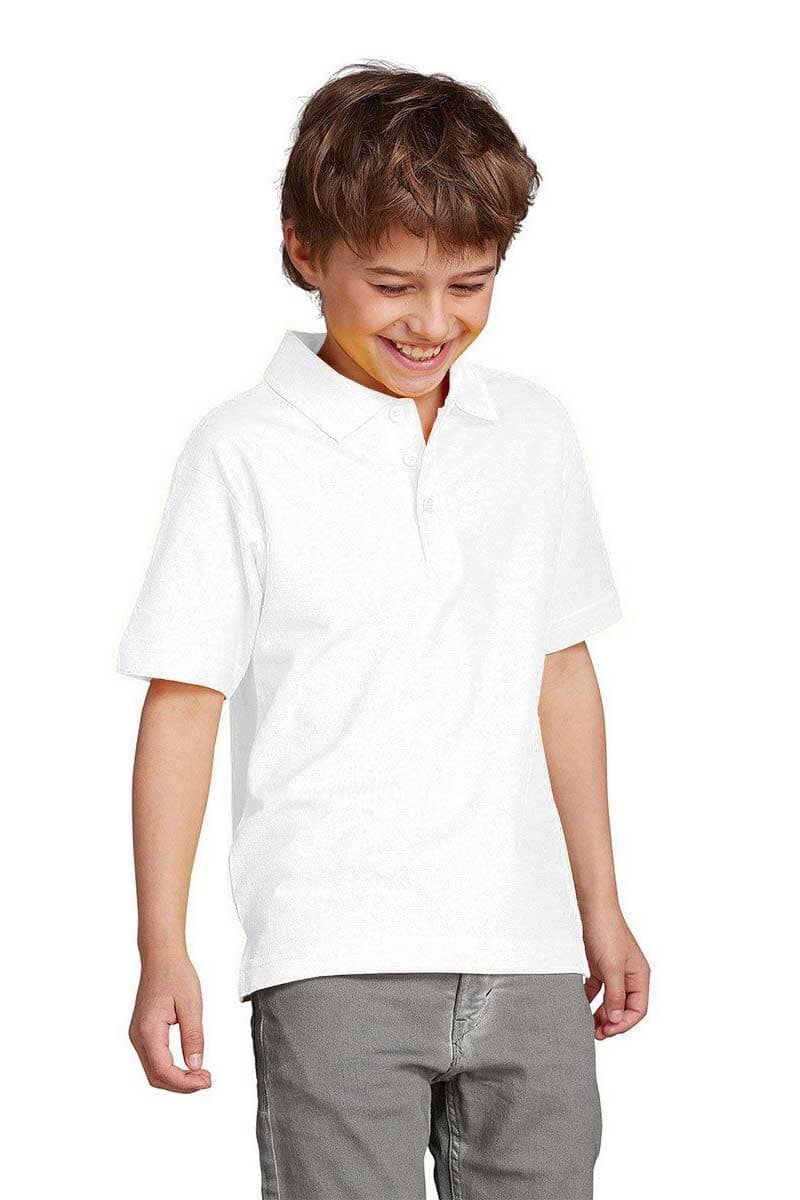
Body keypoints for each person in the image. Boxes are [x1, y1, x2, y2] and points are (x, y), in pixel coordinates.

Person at [118, 60, 650, 1200]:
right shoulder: (242, 451)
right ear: (306, 250)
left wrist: (599, 910)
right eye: (394, 283)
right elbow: (184, 703)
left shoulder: (531, 433)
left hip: (527, 950)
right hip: (334, 952)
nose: (433, 322)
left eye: (471, 284)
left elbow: (560, 676)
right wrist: (163, 946)